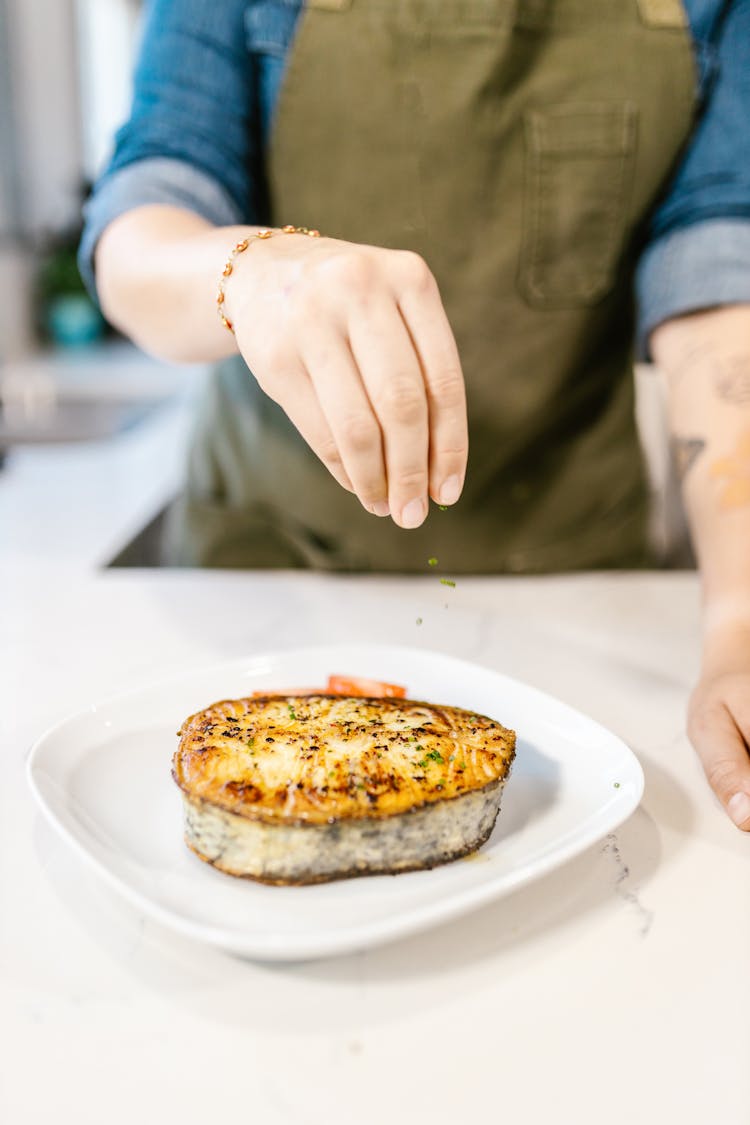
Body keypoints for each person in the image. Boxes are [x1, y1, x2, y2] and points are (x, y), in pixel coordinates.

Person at [79, 0, 750, 831]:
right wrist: (249, 271)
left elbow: (721, 281)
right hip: (268, 567)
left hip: (568, 580)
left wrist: (739, 621)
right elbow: (138, 229)